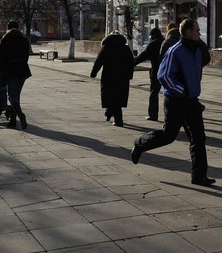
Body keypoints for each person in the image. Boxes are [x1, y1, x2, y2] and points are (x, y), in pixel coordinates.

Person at [131, 18, 215, 186]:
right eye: (197, 31)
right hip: (175, 100)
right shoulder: (175, 50)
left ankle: (199, 176)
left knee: (199, 138)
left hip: (191, 101)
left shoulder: (197, 49)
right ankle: (140, 144)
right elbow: (163, 76)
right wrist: (182, 90)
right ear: (188, 33)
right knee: (168, 136)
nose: (200, 34)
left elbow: (205, 59)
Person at [90, 31, 135, 127]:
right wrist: (130, 75)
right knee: (117, 97)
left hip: (109, 76)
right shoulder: (125, 48)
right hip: (123, 77)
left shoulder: (106, 47)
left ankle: (118, 120)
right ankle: (109, 112)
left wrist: (94, 72)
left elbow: (99, 61)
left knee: (112, 97)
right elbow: (131, 63)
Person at [0, 21, 31, 129]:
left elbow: (0, 57)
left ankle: (21, 116)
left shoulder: (6, 39)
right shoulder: (24, 39)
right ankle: (12, 120)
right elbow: (27, 56)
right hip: (23, 70)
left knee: (12, 97)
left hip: (11, 71)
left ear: (8, 28)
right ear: (18, 27)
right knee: (16, 96)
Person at [134, 27, 164, 121]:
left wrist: (132, 63)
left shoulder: (153, 44)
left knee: (154, 93)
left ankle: (153, 115)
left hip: (156, 71)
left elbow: (143, 56)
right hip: (167, 71)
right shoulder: (164, 42)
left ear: (153, 36)